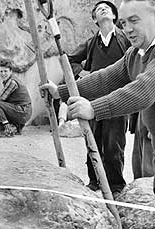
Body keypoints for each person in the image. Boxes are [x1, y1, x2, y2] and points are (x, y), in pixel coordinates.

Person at [42, 0, 155, 193]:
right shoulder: (134, 54)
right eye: (124, 23)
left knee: (115, 148)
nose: (128, 29)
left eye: (134, 21)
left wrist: (94, 108)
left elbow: (142, 91)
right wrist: (61, 91)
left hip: (129, 116)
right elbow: (105, 79)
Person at [68, 1, 131, 194]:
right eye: (98, 9)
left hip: (118, 101)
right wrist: (84, 73)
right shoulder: (91, 42)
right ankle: (94, 182)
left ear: (114, 16)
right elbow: (71, 60)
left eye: (107, 8)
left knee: (114, 144)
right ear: (95, 19)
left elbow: (136, 61)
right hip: (93, 102)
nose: (103, 9)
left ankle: (116, 185)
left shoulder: (125, 39)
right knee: (93, 141)